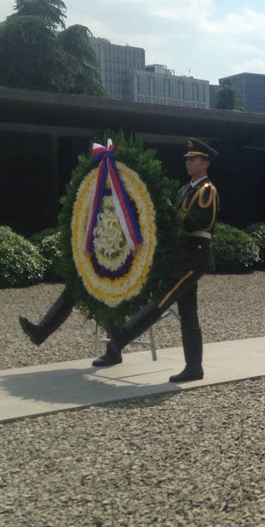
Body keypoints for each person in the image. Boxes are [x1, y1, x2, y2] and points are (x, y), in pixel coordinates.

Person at [92, 138, 220, 382]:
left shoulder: (206, 191)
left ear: (205, 163)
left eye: (193, 159)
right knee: (188, 313)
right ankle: (194, 367)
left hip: (195, 254)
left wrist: (171, 212)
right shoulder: (186, 189)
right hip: (183, 253)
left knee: (162, 298)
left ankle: (121, 338)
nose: (188, 163)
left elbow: (198, 221)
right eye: (187, 159)